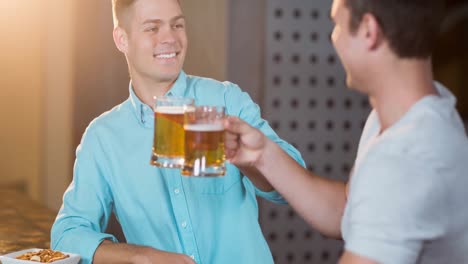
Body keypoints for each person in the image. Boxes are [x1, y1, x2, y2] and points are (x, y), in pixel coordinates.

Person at [50, 0, 304, 263]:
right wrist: (140, 257)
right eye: (152, 28)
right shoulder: (103, 138)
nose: (170, 38)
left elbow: (295, 190)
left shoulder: (227, 101)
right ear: (121, 39)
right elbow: (66, 235)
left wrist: (253, 159)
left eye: (177, 24)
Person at [224, 0, 468, 263]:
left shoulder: (405, 158)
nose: (333, 37)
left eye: (337, 24)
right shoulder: (414, 114)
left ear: (368, 31)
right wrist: (262, 154)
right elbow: (348, 211)